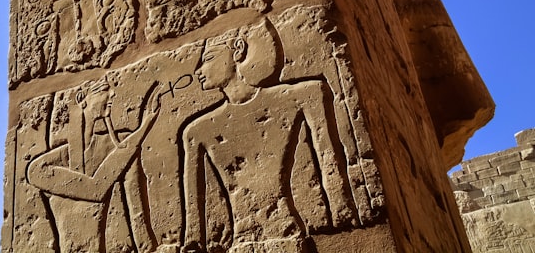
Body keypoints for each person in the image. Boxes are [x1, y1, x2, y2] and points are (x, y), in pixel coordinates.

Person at [181, 22, 357, 252]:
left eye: (209, 58)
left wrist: (339, 204)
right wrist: (194, 239)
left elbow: (329, 161)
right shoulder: (197, 131)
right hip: (240, 242)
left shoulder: (299, 96)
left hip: (286, 231)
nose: (199, 71)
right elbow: (194, 221)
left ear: (238, 50)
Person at [27, 78, 165, 253]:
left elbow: (139, 219)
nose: (113, 94)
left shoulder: (122, 144)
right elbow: (96, 189)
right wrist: (144, 127)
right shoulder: (40, 168)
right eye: (103, 90)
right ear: (81, 99)